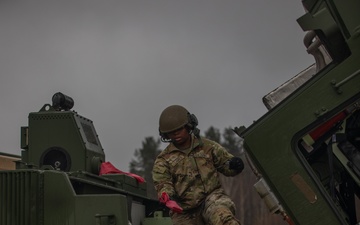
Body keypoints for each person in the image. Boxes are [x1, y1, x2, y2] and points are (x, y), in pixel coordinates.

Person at [152, 105, 244, 225]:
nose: (175, 134)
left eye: (178, 130)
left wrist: (234, 165)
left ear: (188, 126)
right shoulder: (163, 160)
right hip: (184, 210)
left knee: (224, 220)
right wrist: (169, 197)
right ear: (165, 135)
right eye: (171, 133)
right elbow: (163, 184)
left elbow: (225, 165)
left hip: (212, 199)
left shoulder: (207, 147)